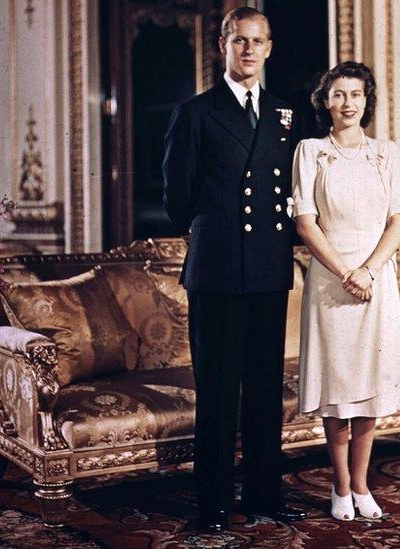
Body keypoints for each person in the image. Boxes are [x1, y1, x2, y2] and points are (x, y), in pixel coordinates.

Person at [162, 7, 307, 533]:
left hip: (268, 271)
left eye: (257, 41)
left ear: (269, 48)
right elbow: (177, 202)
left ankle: (266, 494)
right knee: (219, 392)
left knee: (266, 390)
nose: (248, 50)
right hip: (219, 272)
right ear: (222, 45)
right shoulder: (195, 113)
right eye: (239, 40)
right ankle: (213, 502)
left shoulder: (285, 114)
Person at [291, 61, 400, 521]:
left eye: (356, 94)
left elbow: (398, 219)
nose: (347, 103)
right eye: (338, 94)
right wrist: (346, 272)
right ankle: (340, 486)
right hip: (331, 281)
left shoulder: (387, 153)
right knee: (338, 389)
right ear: (325, 102)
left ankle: (363, 486)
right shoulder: (311, 151)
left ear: (367, 101)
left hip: (375, 280)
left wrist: (369, 270)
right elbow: (305, 221)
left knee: (368, 391)